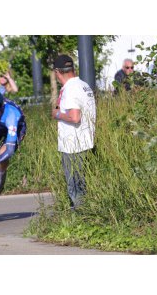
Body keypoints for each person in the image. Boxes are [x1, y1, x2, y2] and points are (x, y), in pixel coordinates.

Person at [51, 55, 96, 210]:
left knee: (76, 187)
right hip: (86, 142)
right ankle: (85, 214)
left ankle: (80, 217)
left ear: (57, 72)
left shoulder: (70, 89)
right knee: (83, 184)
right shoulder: (84, 85)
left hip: (73, 146)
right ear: (72, 69)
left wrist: (57, 114)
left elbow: (74, 117)